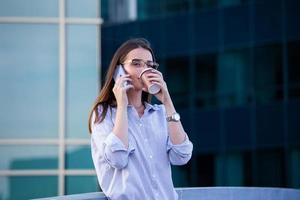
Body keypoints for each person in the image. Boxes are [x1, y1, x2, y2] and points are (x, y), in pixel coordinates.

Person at [88, 38, 193, 200]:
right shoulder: (104, 112)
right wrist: (122, 105)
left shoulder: (160, 113)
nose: (145, 69)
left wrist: (167, 101)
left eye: (150, 65)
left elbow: (182, 156)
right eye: (136, 63)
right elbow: (118, 159)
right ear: (119, 71)